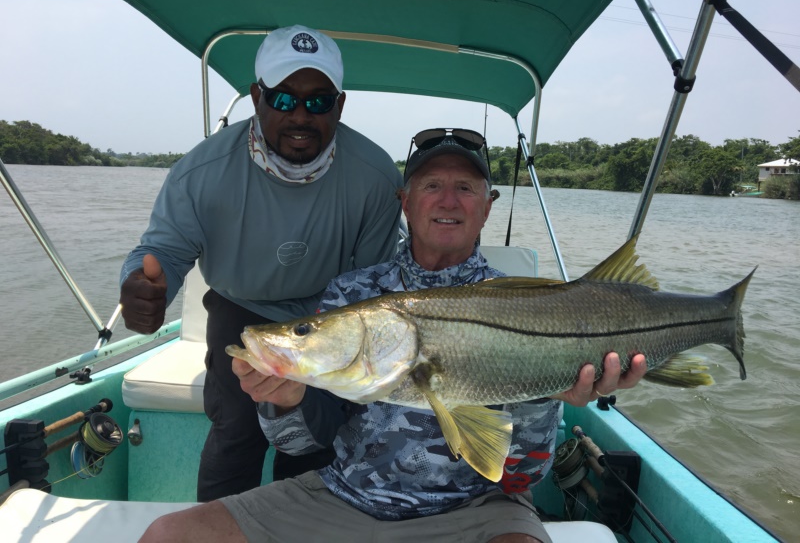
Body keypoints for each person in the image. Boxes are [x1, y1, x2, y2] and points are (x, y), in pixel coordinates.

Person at [140, 129, 647, 543]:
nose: (448, 200)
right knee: (168, 535)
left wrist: (542, 394)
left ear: (487, 207)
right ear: (404, 202)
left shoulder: (532, 308)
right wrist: (284, 402)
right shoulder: (351, 293)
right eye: (430, 186)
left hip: (480, 510)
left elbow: (522, 479)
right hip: (349, 497)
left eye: (466, 188)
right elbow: (295, 444)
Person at [119, 25, 403, 502]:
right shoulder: (201, 172)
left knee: (317, 440)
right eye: (283, 98)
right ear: (256, 96)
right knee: (237, 433)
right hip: (239, 310)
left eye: (318, 102)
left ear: (340, 104)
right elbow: (162, 253)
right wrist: (144, 288)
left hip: (327, 315)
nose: (299, 115)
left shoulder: (375, 175)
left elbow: (372, 281)